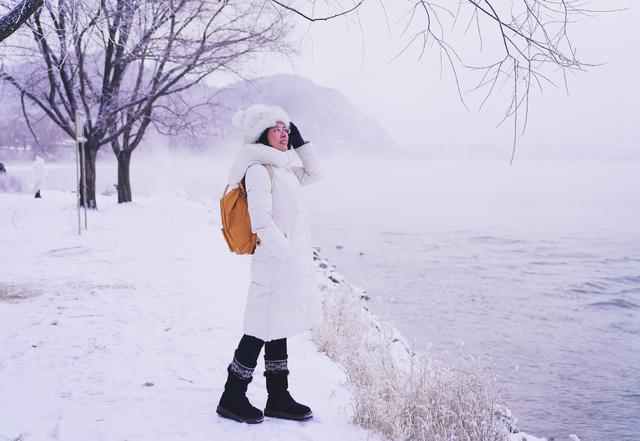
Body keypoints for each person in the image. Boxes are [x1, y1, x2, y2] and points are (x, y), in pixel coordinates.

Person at [217, 104, 324, 424]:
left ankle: (278, 396)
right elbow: (260, 222)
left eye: (287, 129)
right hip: (274, 261)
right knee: (259, 328)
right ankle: (232, 396)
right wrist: (286, 252)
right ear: (262, 133)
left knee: (277, 326)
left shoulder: (282, 169)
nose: (284, 133)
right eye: (277, 128)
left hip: (284, 263)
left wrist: (302, 144)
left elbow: (316, 173)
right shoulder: (257, 169)